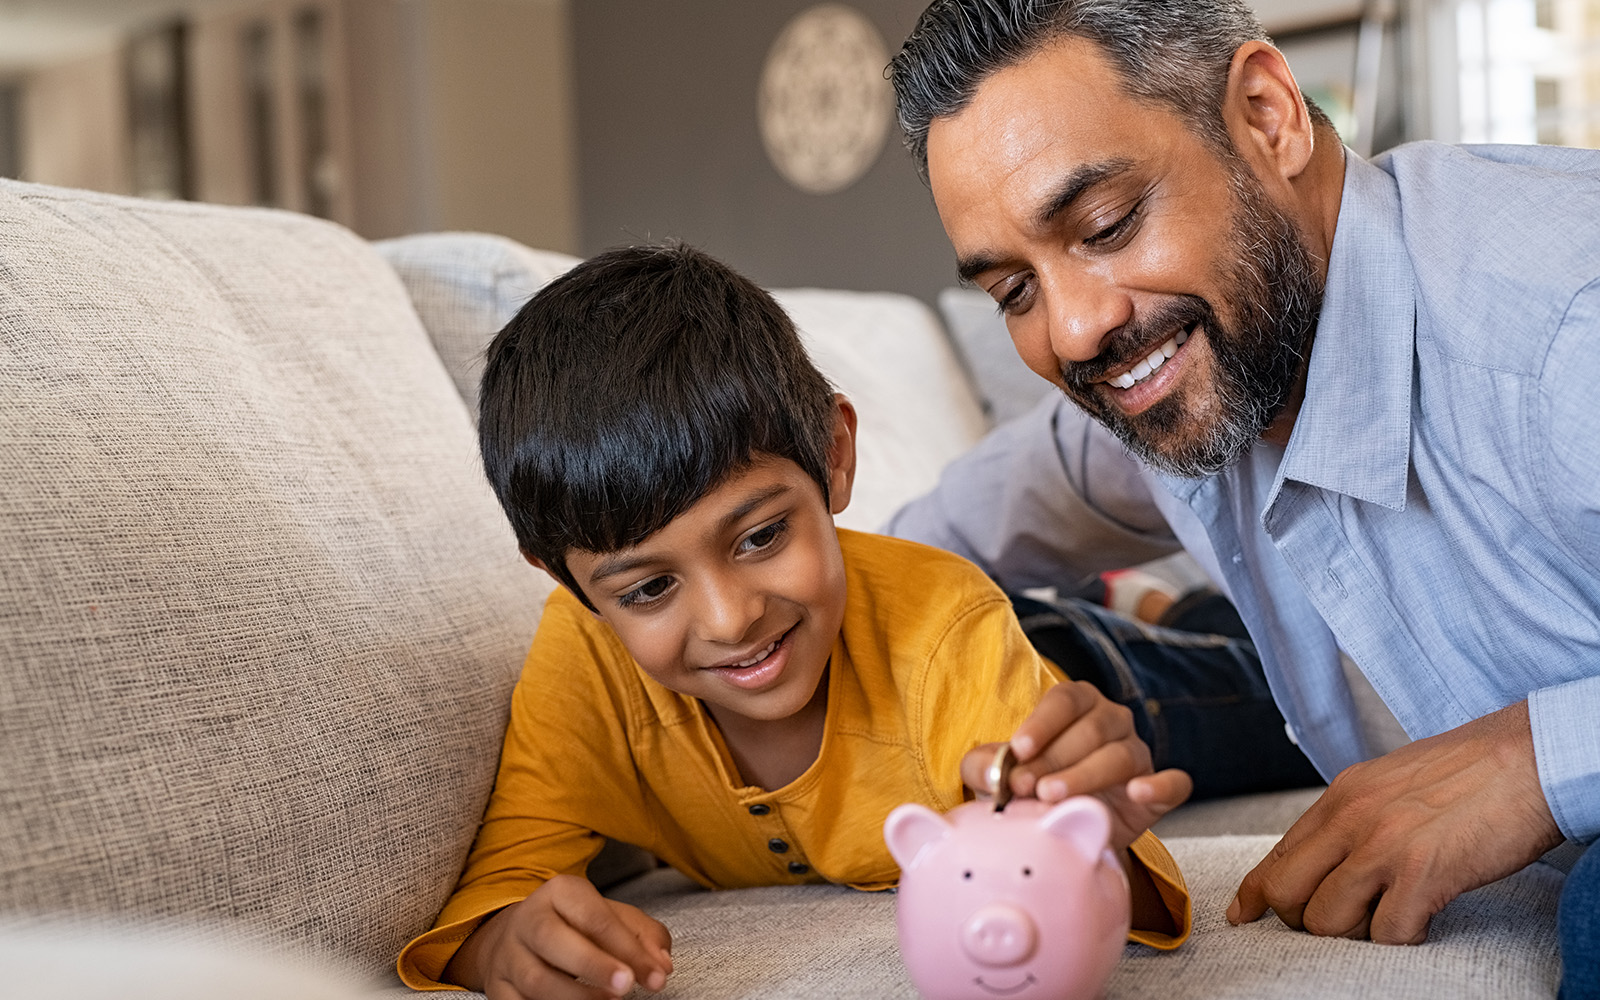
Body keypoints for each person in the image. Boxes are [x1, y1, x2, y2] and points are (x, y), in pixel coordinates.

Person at [886, 0, 1598, 994]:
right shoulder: (1168, 387)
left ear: (1267, 115)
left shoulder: (1565, 322)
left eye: (1105, 224)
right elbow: (891, 565)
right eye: (1013, 292)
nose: (1075, 329)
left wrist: (1535, 757)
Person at [393, 243, 1194, 999]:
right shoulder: (585, 665)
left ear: (834, 452)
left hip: (1081, 666)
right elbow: (503, 887)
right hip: (981, 634)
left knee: (1227, 679)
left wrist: (1093, 836)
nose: (731, 619)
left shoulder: (946, 627)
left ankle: (1157, 607)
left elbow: (1092, 860)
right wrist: (506, 944)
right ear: (570, 586)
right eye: (646, 589)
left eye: (762, 536)